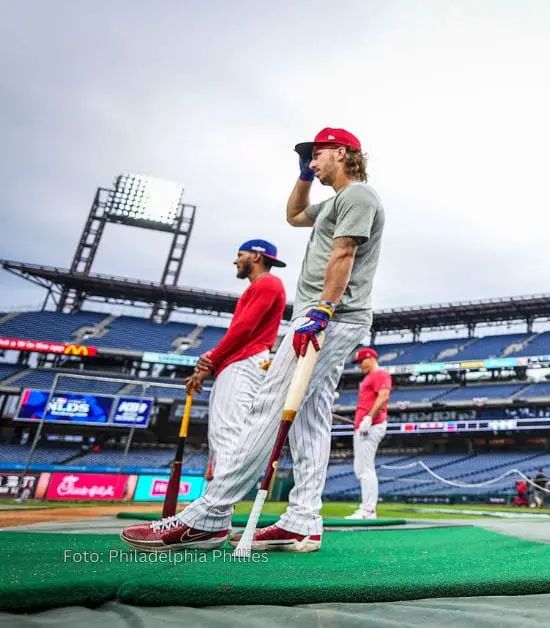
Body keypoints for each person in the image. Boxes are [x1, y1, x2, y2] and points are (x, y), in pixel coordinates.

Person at [121, 127, 386, 553]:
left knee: (270, 404)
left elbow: (345, 254)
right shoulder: (335, 201)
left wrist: (323, 309)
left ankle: (210, 515)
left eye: (317, 155)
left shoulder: (359, 196)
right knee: (310, 418)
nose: (312, 162)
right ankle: (302, 520)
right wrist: (302, 177)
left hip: (330, 315)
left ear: (342, 153)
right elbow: (294, 217)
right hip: (330, 316)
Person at [184, 239, 287, 482]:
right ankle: (214, 509)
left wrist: (211, 359)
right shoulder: (259, 286)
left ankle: (216, 514)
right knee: (223, 434)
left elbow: (244, 329)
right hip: (240, 361)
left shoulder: (269, 282)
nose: (235, 260)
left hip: (245, 361)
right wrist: (211, 362)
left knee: (227, 433)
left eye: (240, 254)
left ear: (256, 257)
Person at [348, 347, 391, 520]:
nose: (360, 365)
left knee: (365, 468)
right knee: (361, 468)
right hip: (364, 426)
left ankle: (368, 511)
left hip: (371, 425)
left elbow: (383, 397)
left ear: (371, 358)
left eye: (361, 361)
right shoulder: (369, 377)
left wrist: (369, 418)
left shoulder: (379, 374)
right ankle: (367, 508)